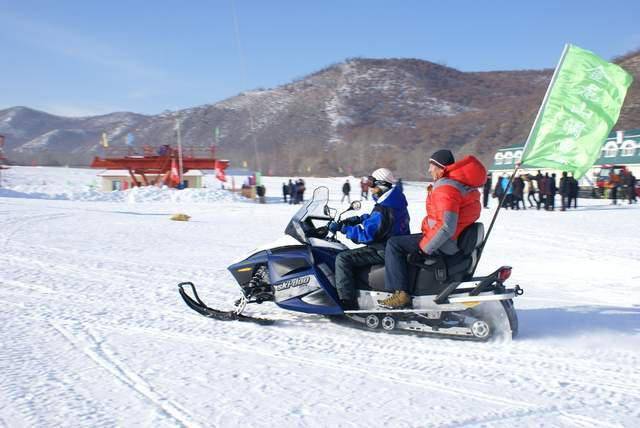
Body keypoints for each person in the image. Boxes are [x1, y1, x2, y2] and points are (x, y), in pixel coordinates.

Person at [380, 150, 486, 308]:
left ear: (441, 168)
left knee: (394, 244)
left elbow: (446, 226)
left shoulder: (446, 189)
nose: (429, 170)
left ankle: (401, 294)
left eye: (432, 166)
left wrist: (423, 250)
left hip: (445, 243)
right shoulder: (460, 186)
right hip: (451, 241)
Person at [329, 168, 410, 310]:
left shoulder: (385, 207)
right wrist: (360, 218)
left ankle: (347, 303)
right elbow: (382, 222)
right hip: (392, 246)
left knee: (342, 259)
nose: (370, 188)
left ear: (382, 185)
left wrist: (344, 229)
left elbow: (367, 235)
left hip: (383, 249)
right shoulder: (395, 201)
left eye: (373, 184)